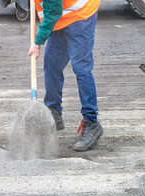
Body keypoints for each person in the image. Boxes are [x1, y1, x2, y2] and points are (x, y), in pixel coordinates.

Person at [28, 0, 102, 152]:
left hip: (80, 14)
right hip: (60, 17)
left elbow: (53, 12)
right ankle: (54, 112)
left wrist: (37, 43)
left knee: (81, 68)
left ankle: (91, 121)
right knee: (52, 64)